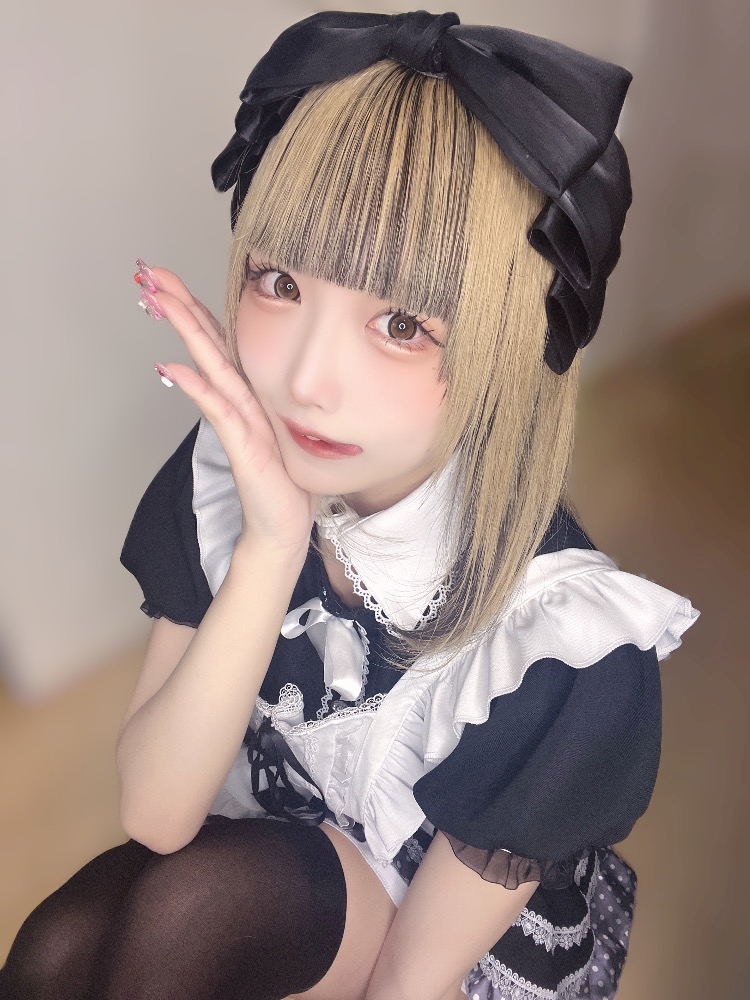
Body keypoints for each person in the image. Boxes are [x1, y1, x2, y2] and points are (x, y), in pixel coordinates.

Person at [0, 10, 698, 1000]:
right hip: (282, 856)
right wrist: (271, 542)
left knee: (189, 914)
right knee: (57, 949)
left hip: (430, 943)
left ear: (507, 343)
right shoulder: (229, 483)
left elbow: (407, 986)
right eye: (280, 280)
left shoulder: (563, 652)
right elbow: (155, 814)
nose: (306, 381)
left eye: (403, 323)